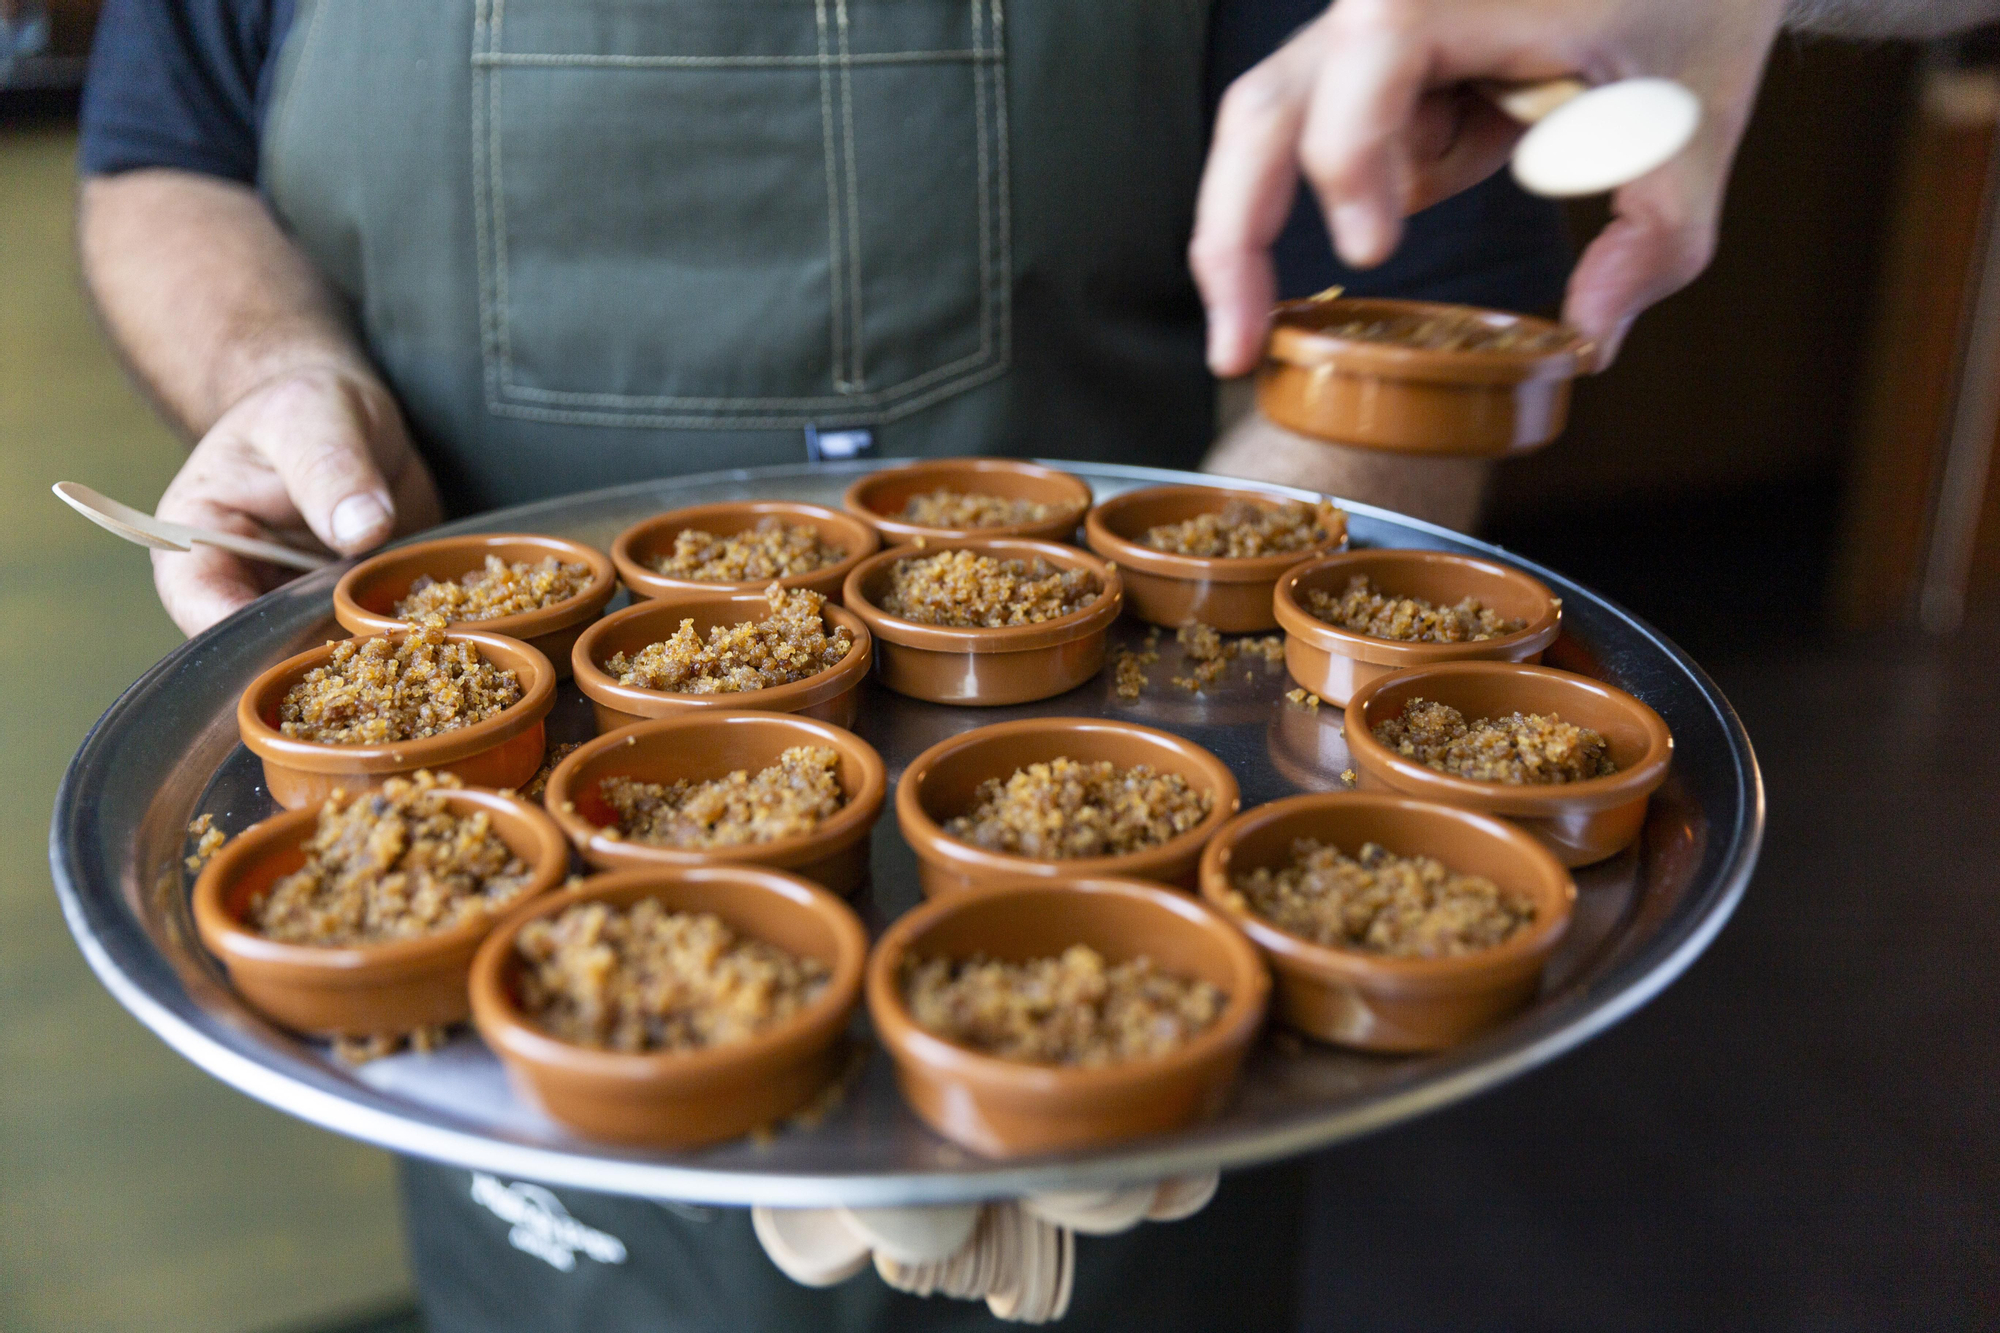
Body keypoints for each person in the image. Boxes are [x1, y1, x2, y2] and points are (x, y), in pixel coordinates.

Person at [75, 0, 2000, 1329]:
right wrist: (277, 379)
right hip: (515, 901)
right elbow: (165, 154)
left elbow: (1428, 269)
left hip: (1139, 828)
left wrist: (1123, 870)